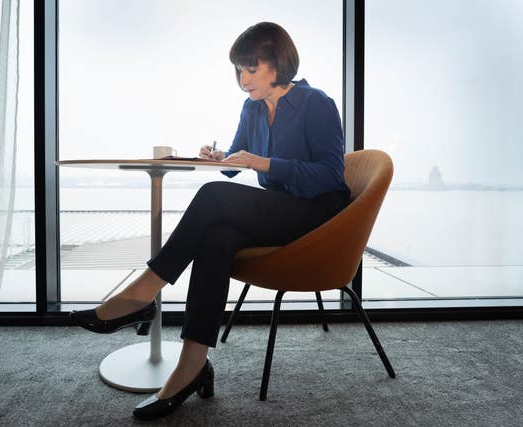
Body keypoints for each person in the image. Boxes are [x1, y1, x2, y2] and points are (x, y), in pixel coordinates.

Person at [70, 21, 351, 420]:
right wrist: (220, 159)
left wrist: (264, 162)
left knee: (213, 198)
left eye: (251, 69)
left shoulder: (315, 103)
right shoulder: (252, 108)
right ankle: (193, 365)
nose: (243, 79)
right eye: (239, 70)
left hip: (319, 219)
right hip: (279, 211)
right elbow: (237, 166)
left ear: (277, 63)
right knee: (216, 236)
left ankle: (142, 294)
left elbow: (330, 176)